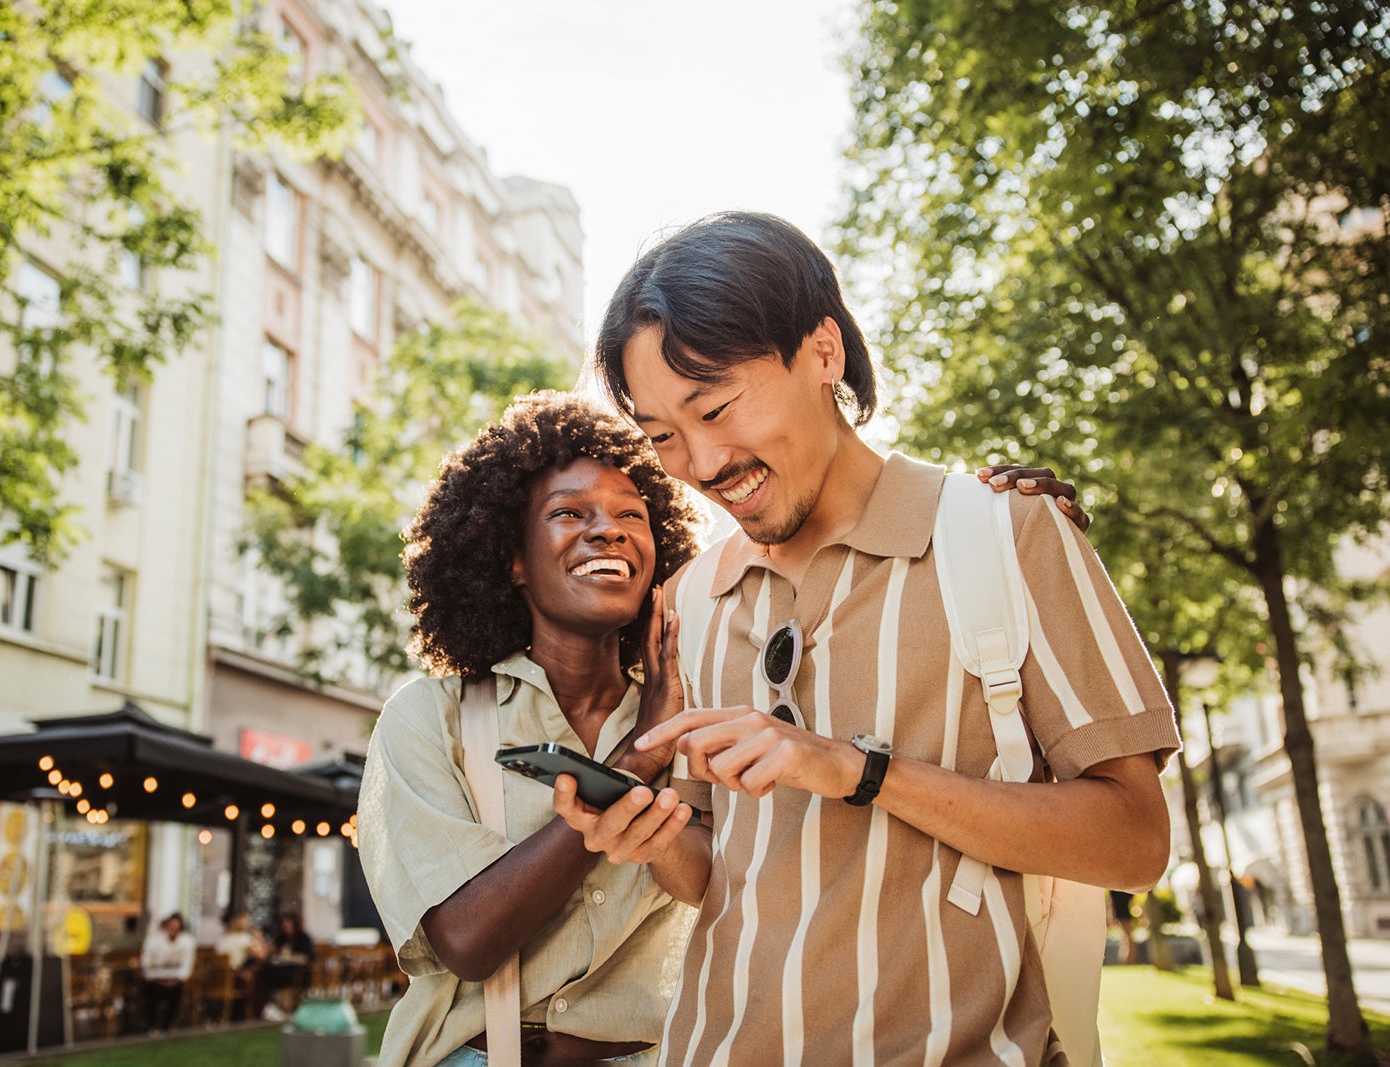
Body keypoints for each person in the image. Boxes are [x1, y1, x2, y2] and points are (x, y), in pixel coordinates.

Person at [562, 211, 1180, 1064]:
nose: (702, 463)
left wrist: (855, 770)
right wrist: (652, 836)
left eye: (715, 407)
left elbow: (1137, 840)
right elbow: (720, 873)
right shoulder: (690, 600)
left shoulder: (1009, 534)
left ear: (822, 351)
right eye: (664, 435)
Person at [359, 391, 707, 1067]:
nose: (607, 530)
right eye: (569, 513)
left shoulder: (698, 717)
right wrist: (633, 768)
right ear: (512, 559)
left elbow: (729, 886)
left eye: (630, 516)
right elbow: (466, 939)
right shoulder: (432, 721)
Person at [137, 912, 195, 1033]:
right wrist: (157, 977)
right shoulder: (154, 940)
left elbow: (186, 966)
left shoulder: (187, 942)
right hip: (155, 980)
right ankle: (150, 1026)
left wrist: (176, 979)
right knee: (150, 992)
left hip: (175, 981)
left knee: (177, 992)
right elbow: (146, 963)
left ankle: (168, 1027)